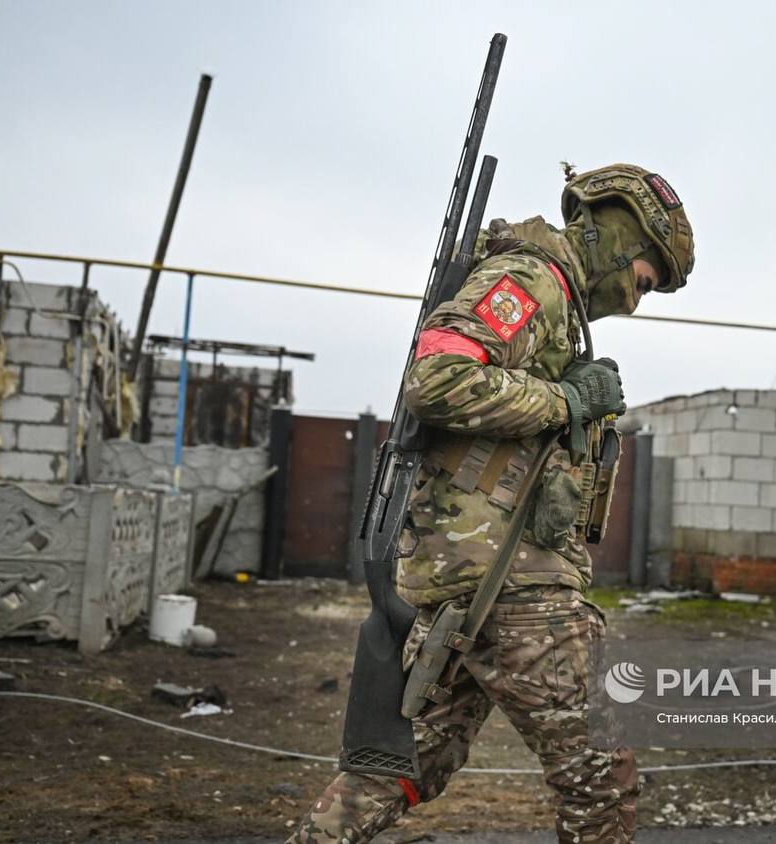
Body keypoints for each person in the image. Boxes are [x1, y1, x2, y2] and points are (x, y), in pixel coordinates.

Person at [289, 163, 695, 844]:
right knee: (597, 774)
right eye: (644, 280)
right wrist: (564, 401)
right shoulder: (532, 281)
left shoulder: (556, 302)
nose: (636, 299)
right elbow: (437, 380)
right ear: (623, 239)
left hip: (476, 582)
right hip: (511, 586)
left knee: (407, 763)